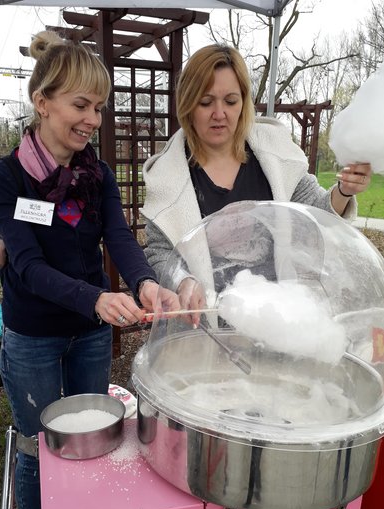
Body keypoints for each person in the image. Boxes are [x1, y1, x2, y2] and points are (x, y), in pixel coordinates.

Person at [0, 30, 179, 509]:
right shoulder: (6, 177)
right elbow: (25, 266)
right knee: (36, 443)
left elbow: (119, 237)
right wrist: (95, 298)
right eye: (81, 105)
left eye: (98, 107)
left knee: (95, 435)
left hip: (89, 334)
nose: (93, 119)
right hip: (34, 335)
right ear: (42, 102)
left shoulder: (97, 175)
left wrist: (145, 282)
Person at [141, 44, 373, 324]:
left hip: (274, 321)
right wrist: (183, 280)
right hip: (205, 328)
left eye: (230, 101)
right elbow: (158, 251)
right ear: (188, 104)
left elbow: (315, 211)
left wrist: (344, 190)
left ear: (244, 102)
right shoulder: (167, 176)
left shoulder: (275, 155)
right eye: (206, 102)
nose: (219, 113)